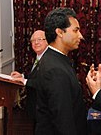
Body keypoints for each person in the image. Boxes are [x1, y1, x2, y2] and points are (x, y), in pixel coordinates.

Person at [34, 7, 87, 135]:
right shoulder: (55, 70)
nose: (80, 36)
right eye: (75, 30)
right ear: (60, 32)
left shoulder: (57, 59)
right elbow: (63, 121)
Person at [11, 30, 48, 120]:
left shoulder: (48, 59)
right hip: (35, 106)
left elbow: (44, 83)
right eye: (33, 40)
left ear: (47, 41)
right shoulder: (38, 56)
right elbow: (35, 76)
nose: (36, 42)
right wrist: (22, 76)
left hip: (44, 108)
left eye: (39, 39)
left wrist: (24, 81)